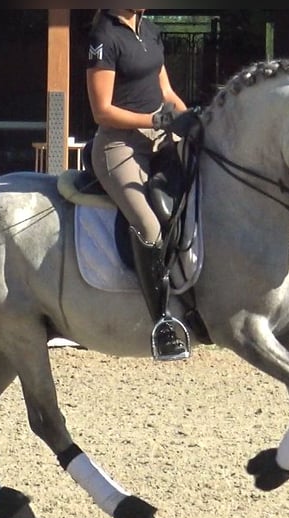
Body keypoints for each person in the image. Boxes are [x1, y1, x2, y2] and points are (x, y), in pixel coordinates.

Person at [85, 9, 190, 361]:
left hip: (159, 141)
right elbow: (102, 110)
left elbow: (166, 90)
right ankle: (160, 323)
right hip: (120, 146)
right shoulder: (104, 36)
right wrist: (154, 118)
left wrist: (190, 119)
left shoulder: (150, 29)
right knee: (148, 225)